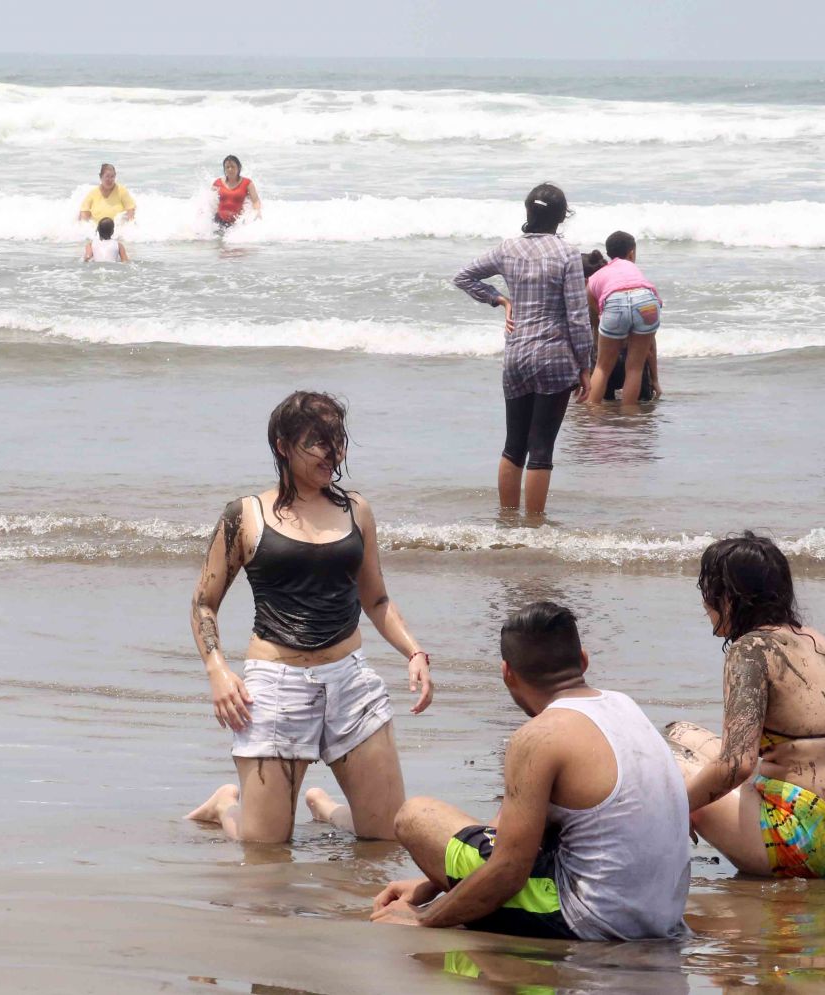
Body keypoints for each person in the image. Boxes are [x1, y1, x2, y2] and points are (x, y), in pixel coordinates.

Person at [184, 391, 433, 844]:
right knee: (266, 847)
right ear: (283, 445)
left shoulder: (356, 510)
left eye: (337, 439)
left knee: (387, 837)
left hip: (349, 681)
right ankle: (226, 805)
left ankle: (325, 808)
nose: (331, 451)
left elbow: (376, 600)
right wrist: (217, 672)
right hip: (275, 684)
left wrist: (414, 651)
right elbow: (204, 602)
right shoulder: (246, 516)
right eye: (317, 440)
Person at [371, 602, 690, 940]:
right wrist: (431, 883)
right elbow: (513, 829)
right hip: (660, 915)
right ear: (583, 659)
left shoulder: (538, 737)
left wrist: (425, 919)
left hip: (591, 920)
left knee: (416, 816)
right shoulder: (623, 705)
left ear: (507, 672)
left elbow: (509, 870)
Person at [666, 533, 825, 879]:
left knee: (666, 762)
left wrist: (672, 810)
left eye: (708, 591)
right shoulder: (813, 639)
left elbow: (737, 766)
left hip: (799, 844)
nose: (704, 602)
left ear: (730, 597)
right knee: (678, 733)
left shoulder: (751, 650)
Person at [453, 183, 594, 515]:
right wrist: (586, 365)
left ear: (529, 212)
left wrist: (500, 300)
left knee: (513, 446)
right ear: (561, 218)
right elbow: (576, 314)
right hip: (555, 357)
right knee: (541, 449)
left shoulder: (507, 249)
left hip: (516, 355)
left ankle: (506, 519)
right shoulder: (567, 253)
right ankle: (533, 528)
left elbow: (463, 277)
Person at [586, 231, 662, 404]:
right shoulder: (636, 271)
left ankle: (591, 415)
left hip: (614, 302)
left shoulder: (597, 276)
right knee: (635, 367)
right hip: (647, 300)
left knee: (602, 367)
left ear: (608, 254)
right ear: (631, 253)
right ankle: (630, 416)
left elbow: (594, 306)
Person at [212, 155, 261, 230]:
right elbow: (209, 201)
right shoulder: (217, 183)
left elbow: (255, 200)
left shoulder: (247, 183)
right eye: (227, 167)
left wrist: (257, 213)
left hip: (237, 224)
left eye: (233, 166)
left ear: (239, 168)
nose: (230, 169)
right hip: (218, 222)